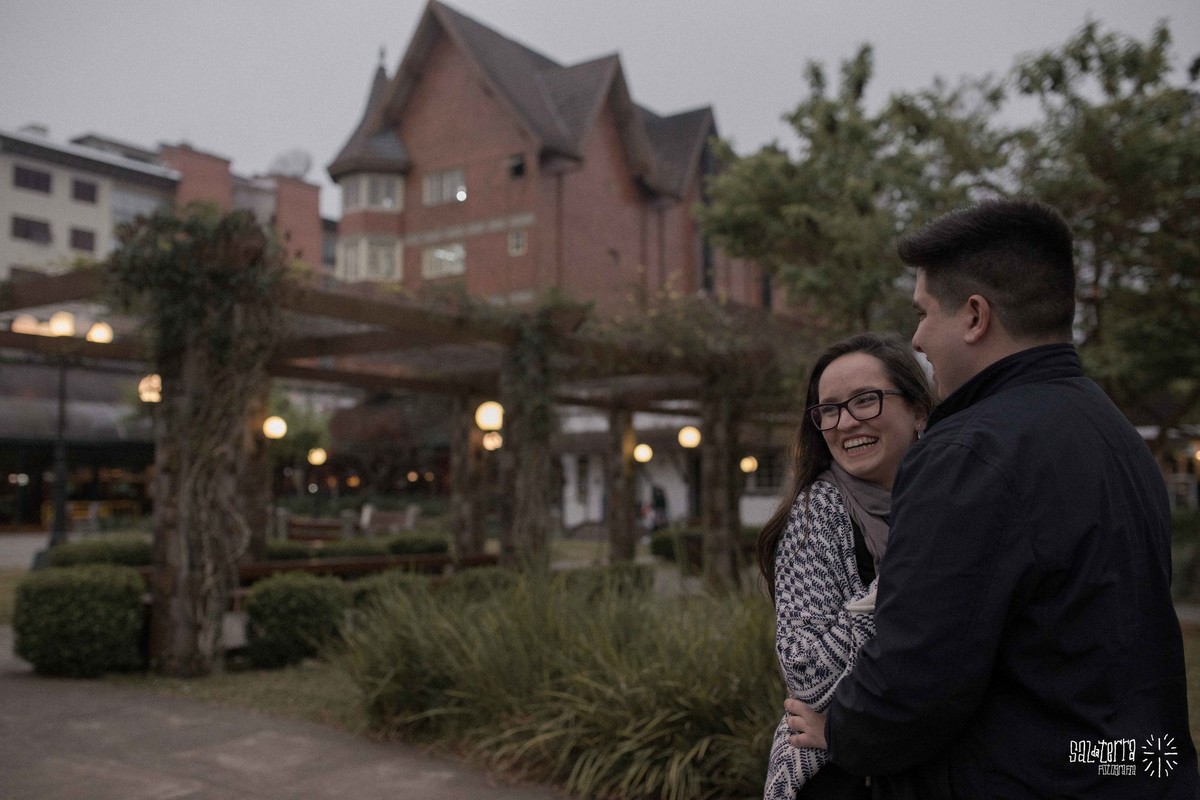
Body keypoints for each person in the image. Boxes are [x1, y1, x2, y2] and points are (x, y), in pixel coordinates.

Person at [784, 198, 1199, 797]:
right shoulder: (1115, 432)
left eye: (925, 313)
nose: (918, 337)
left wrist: (841, 731)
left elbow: (915, 680)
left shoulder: (967, 454)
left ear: (975, 316)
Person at [756, 332, 935, 799]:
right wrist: (903, 589)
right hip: (839, 778)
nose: (846, 422)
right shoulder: (819, 512)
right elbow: (806, 672)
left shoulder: (953, 503)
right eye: (829, 409)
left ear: (919, 409)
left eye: (866, 400)